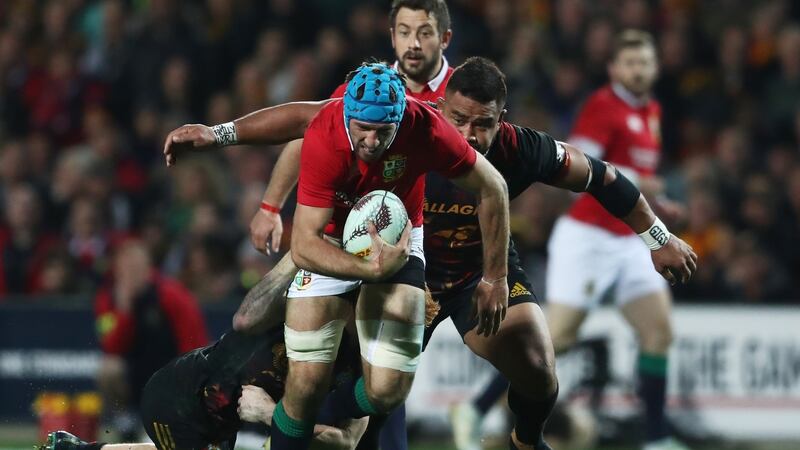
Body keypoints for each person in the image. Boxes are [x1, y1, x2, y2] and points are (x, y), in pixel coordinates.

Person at [170, 54, 697, 450]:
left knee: (539, 369)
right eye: (460, 120)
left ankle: (524, 441)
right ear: (443, 107)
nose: (470, 135)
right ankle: (271, 410)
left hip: (475, 276)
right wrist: (225, 142)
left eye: (484, 124)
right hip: (398, 269)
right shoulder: (414, 125)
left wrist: (658, 237)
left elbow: (602, 177)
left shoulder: (521, 148)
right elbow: (307, 119)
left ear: (501, 117)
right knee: (349, 393)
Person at [164, 61, 510, 450]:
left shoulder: (425, 127)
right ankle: (291, 418)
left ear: (402, 116)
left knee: (388, 392)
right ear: (347, 112)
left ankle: (321, 412)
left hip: (398, 244)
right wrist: (219, 135)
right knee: (303, 382)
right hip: (331, 239)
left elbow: (493, 187)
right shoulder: (326, 132)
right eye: (363, 128)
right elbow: (305, 244)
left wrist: (494, 277)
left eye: (384, 131)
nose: (373, 141)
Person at [42, 253, 444, 450]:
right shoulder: (314, 301)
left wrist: (269, 414)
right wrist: (297, 254)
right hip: (181, 400)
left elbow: (344, 442)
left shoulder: (374, 370)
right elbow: (246, 317)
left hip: (232, 419)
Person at [545, 30, 691, 450]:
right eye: (630, 63)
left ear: (655, 68)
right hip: (589, 236)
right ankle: (479, 407)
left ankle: (657, 438)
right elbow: (580, 166)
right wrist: (642, 179)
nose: (638, 70)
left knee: (658, 332)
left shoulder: (653, 111)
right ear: (614, 69)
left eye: (645, 62)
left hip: (632, 239)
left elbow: (637, 179)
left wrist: (660, 199)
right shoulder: (601, 107)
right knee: (558, 340)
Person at [95, 239, 209, 441]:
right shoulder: (107, 299)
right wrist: (125, 310)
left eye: (137, 267)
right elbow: (110, 346)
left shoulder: (171, 294)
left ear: (148, 268)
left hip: (168, 371)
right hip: (131, 375)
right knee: (108, 369)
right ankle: (125, 421)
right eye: (127, 267)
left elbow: (195, 342)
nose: (132, 273)